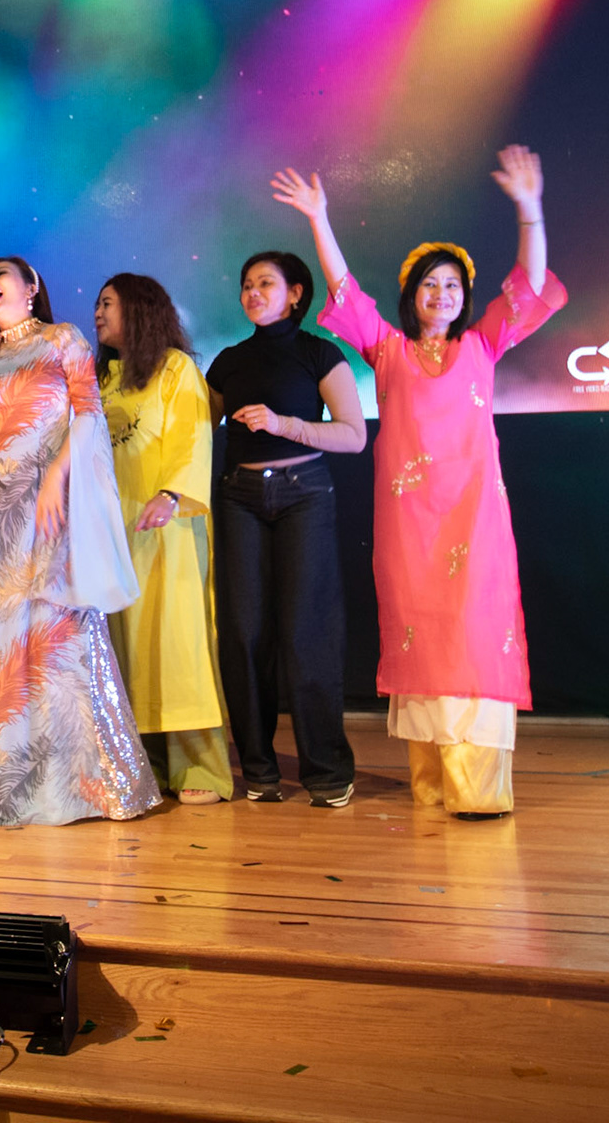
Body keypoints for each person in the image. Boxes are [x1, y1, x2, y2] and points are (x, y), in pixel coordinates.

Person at [279, 146, 566, 819]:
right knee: (422, 633)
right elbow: (345, 289)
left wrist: (530, 208)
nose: (442, 295)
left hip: (475, 518)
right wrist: (319, 217)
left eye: (453, 286)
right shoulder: (387, 351)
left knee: (477, 630)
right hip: (409, 528)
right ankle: (434, 780)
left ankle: (477, 786)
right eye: (430, 285)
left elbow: (528, 285)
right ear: (411, 297)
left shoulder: (482, 345)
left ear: (465, 298)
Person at [0, 257, 160, 827]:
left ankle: (78, 786)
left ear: (32, 287)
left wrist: (58, 476)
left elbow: (88, 412)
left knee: (55, 642)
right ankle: (0, 788)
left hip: (48, 505)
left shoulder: (63, 339)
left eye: (2, 275)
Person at [204, 249, 366, 806]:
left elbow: (353, 435)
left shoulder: (319, 353)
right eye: (246, 284)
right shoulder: (229, 361)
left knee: (307, 631)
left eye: (265, 284)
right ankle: (258, 768)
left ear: (295, 294)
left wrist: (284, 424)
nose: (252, 293)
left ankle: (327, 771)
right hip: (239, 497)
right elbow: (195, 428)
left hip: (305, 495)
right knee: (244, 632)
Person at [95, 274, 232, 805]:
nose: (98, 312)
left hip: (167, 527)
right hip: (116, 533)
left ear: (139, 308)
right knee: (126, 646)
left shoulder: (176, 369)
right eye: (98, 304)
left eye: (108, 303)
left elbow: (193, 439)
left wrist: (172, 494)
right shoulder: (104, 380)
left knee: (175, 642)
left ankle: (201, 765)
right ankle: (143, 762)